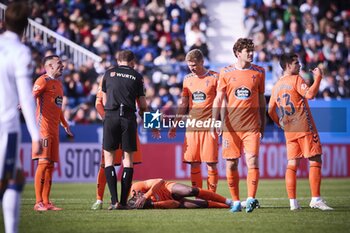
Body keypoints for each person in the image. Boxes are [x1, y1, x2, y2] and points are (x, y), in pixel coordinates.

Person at [268, 53, 333, 211]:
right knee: (315, 159)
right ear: (288, 66)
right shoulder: (296, 79)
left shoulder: (276, 86)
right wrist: (318, 78)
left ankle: (293, 203)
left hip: (289, 130)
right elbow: (310, 94)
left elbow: (270, 111)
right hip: (304, 127)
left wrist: (280, 123)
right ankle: (316, 199)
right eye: (296, 63)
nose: (300, 66)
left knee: (292, 164)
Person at [212, 38, 266, 213]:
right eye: (247, 51)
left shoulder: (259, 72)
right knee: (231, 164)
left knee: (252, 160)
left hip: (251, 127)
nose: (251, 53)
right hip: (230, 127)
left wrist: (263, 123)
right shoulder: (226, 72)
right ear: (237, 53)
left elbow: (261, 101)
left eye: (252, 50)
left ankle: (251, 198)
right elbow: (219, 99)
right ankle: (235, 201)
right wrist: (215, 120)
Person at [0, 2, 41, 233]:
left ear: (4, 21)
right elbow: (26, 97)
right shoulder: (20, 52)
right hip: (6, 125)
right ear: (25, 26)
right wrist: (35, 134)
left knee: (13, 177)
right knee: (8, 181)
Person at [102, 50, 160, 210]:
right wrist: (152, 124)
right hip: (127, 118)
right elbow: (143, 106)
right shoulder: (137, 76)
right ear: (132, 61)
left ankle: (114, 202)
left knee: (109, 160)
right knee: (128, 160)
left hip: (111, 117)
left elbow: (104, 100)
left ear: (117, 59)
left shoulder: (108, 74)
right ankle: (123, 202)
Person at [168, 49, 219, 192]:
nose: (192, 68)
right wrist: (175, 124)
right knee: (194, 163)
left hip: (209, 126)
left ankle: (211, 195)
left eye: (194, 65)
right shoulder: (187, 79)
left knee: (211, 163)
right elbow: (183, 104)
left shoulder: (215, 78)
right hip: (192, 126)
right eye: (189, 65)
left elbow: (222, 102)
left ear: (202, 62)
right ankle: (199, 195)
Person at [91, 77, 143, 210]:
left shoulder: (135, 77)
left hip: (128, 125)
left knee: (128, 163)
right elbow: (98, 103)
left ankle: (122, 201)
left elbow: (141, 104)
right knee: (105, 164)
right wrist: (106, 119)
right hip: (114, 124)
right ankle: (99, 199)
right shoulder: (107, 77)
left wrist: (151, 124)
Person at [32, 55, 73, 211]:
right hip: (43, 129)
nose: (62, 66)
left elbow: (58, 108)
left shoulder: (58, 84)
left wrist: (65, 124)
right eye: (59, 63)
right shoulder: (42, 80)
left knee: (50, 165)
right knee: (43, 163)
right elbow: (32, 95)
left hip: (54, 130)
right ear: (48, 66)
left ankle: (46, 202)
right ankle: (38, 202)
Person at [128, 179, 232, 209]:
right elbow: (175, 204)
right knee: (202, 205)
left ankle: (229, 201)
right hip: (173, 201)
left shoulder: (136, 187)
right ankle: (232, 205)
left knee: (191, 191)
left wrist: (146, 196)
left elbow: (160, 181)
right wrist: (153, 204)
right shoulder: (146, 206)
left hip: (168, 188)